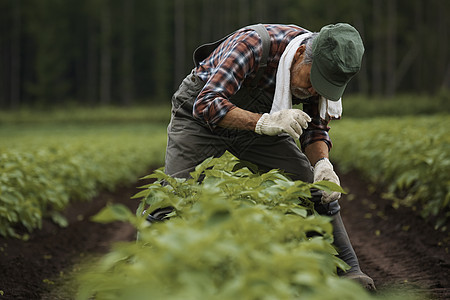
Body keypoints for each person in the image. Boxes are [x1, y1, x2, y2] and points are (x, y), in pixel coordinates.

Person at [161, 23, 375, 290]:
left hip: (262, 124)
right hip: (199, 119)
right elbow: (207, 104)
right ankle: (147, 275)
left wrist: (322, 164)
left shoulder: (314, 74)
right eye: (311, 82)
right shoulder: (254, 45)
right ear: (299, 55)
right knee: (173, 195)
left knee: (312, 185)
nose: (312, 92)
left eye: (321, 90)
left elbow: (314, 129)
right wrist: (262, 122)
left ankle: (349, 270)